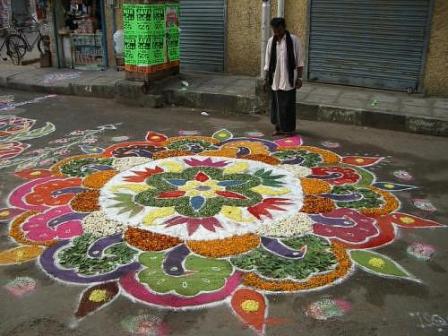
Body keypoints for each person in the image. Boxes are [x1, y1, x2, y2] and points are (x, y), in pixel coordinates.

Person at [264, 18, 304, 136]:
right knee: (276, 105)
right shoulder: (271, 41)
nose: (276, 32)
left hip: (289, 79)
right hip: (275, 79)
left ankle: (289, 129)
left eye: (279, 29)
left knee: (288, 105)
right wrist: (266, 80)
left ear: (284, 27)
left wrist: (300, 78)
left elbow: (299, 61)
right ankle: (278, 128)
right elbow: (267, 62)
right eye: (274, 30)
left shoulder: (294, 40)